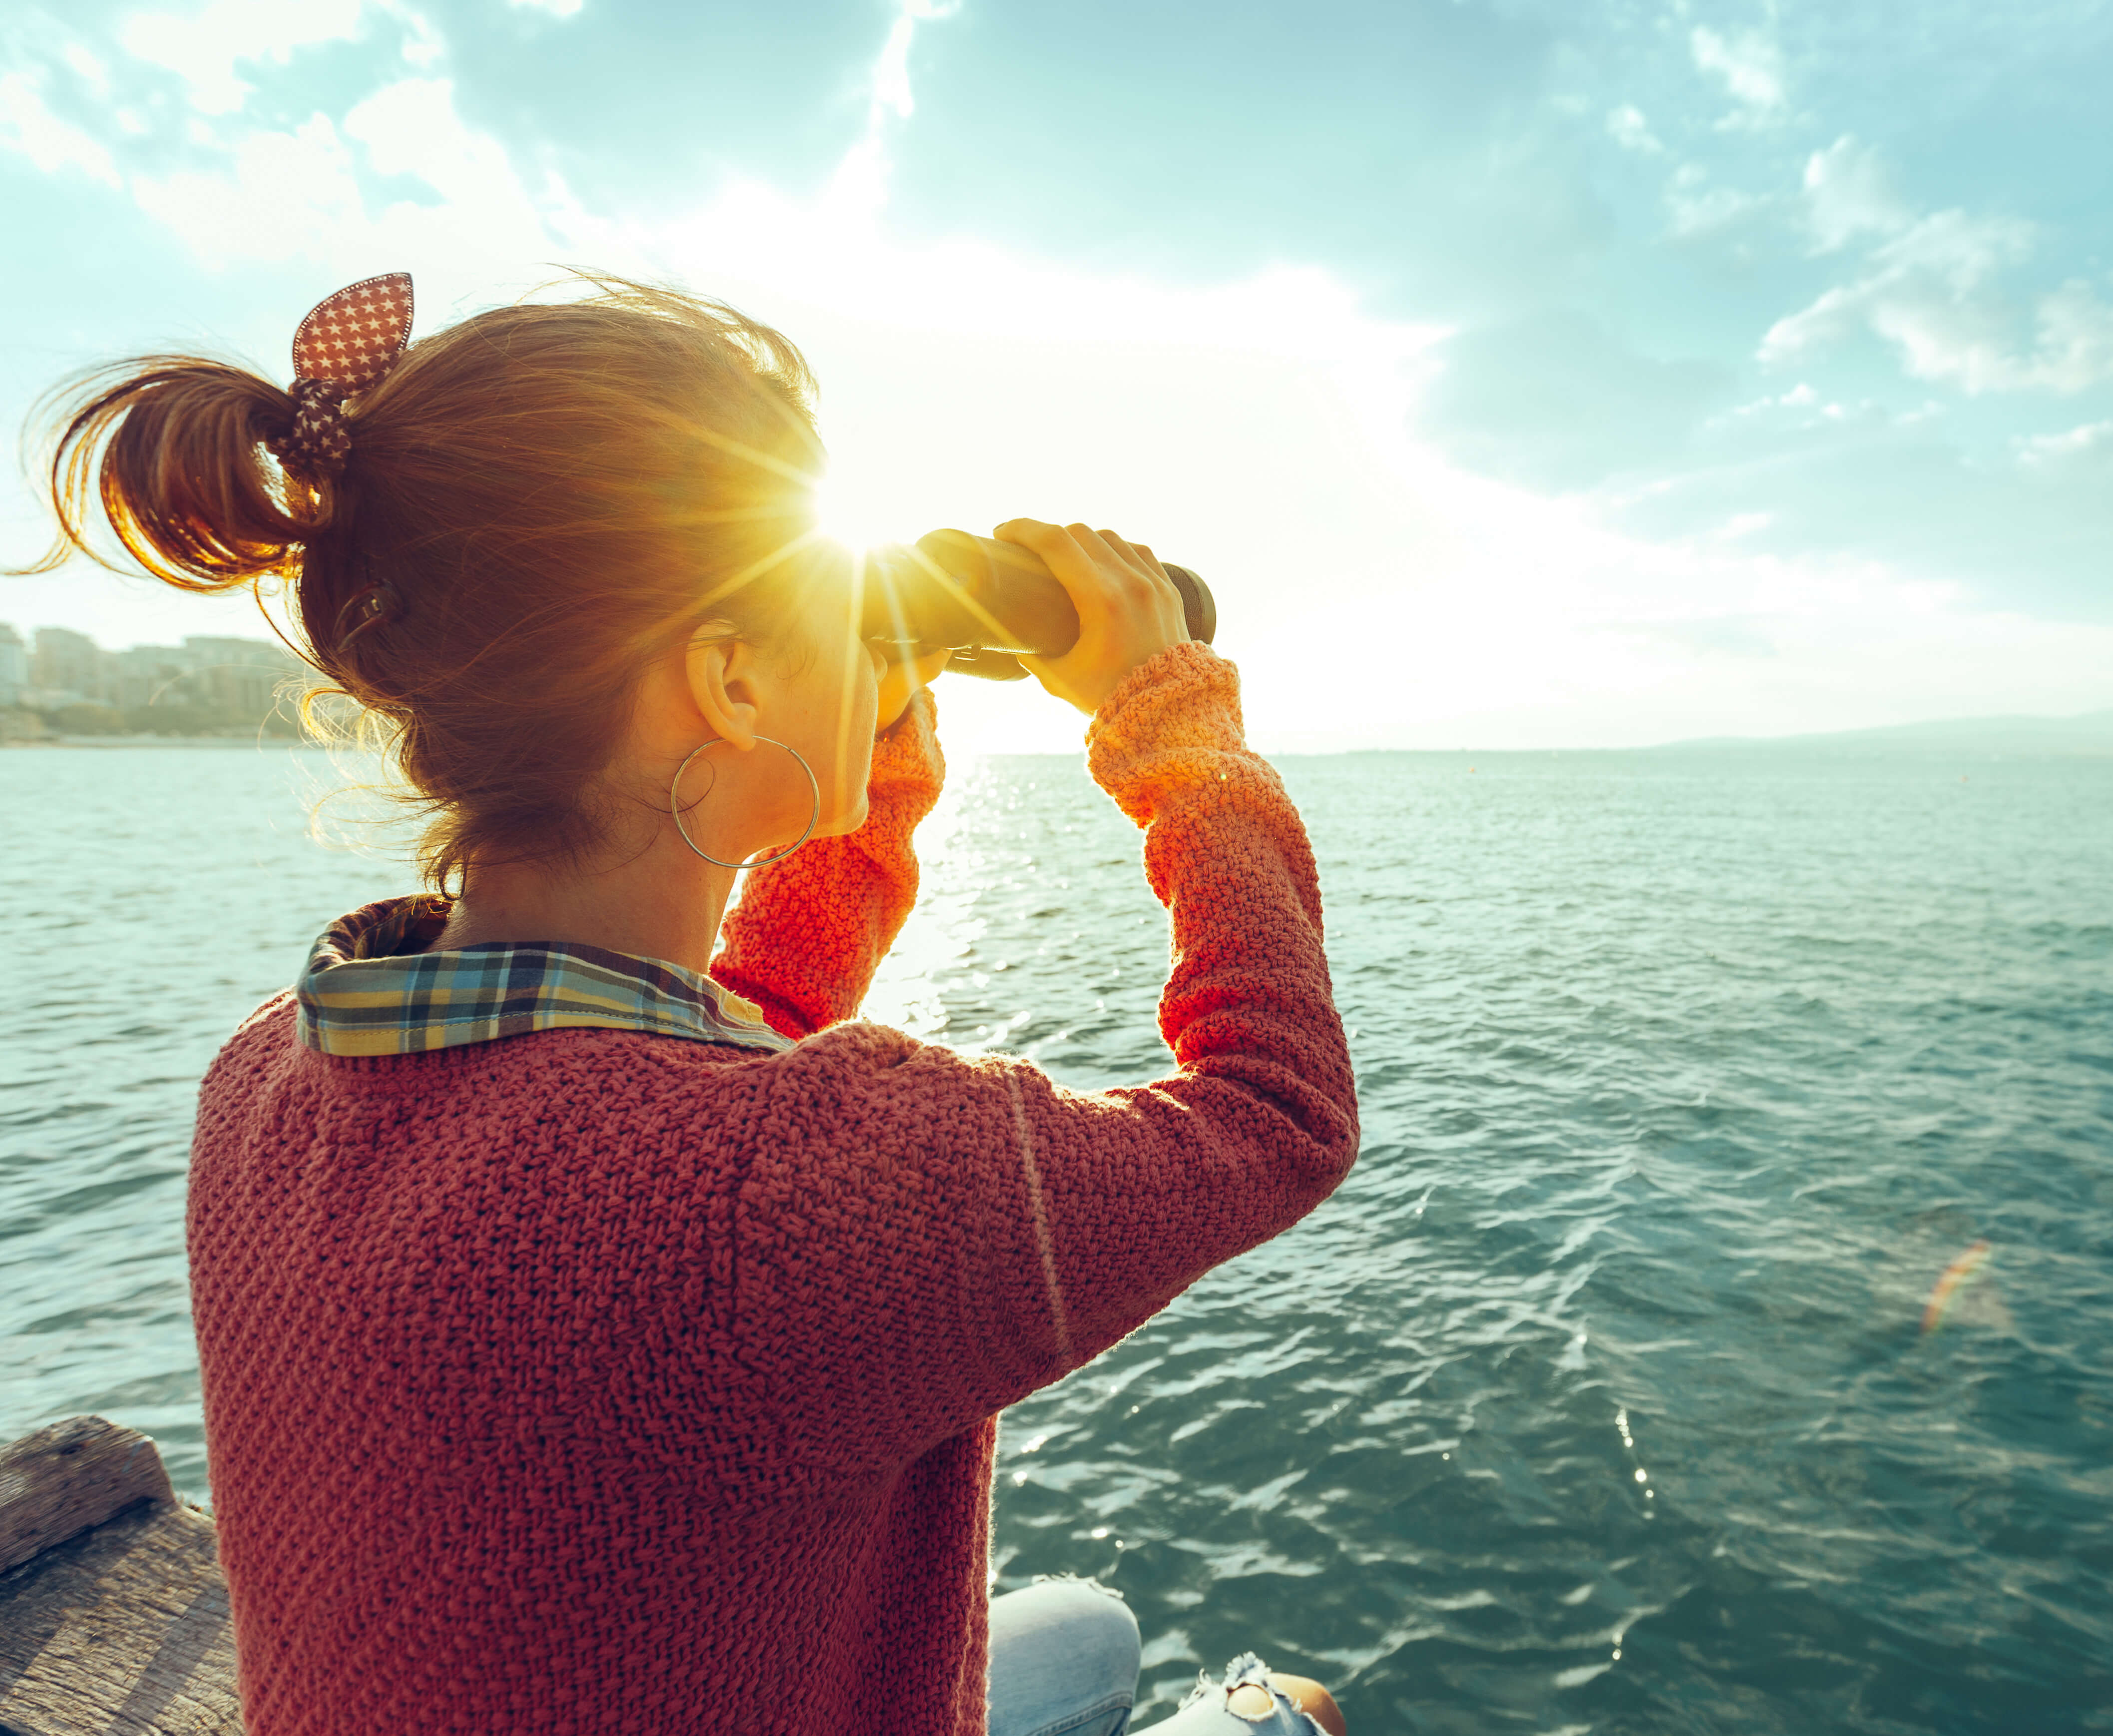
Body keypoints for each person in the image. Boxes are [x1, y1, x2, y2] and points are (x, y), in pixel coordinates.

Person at [26, 272, 1357, 1735]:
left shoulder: (261, 1078)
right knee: (1283, 1705)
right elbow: (1278, 1109)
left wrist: (866, 758)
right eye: (840, 613)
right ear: (726, 674)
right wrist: (1168, 710)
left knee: (1083, 1633)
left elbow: (699, 1063)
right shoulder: (793, 1191)